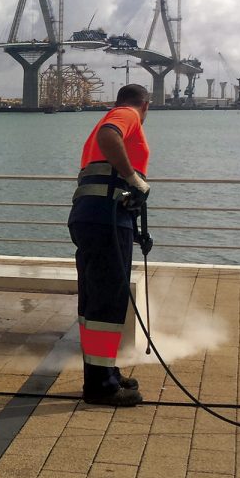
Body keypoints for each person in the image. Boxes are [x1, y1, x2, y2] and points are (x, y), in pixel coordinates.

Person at [68, 83, 153, 406]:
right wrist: (133, 178)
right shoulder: (127, 114)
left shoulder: (107, 120)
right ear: (146, 105)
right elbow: (110, 136)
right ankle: (101, 386)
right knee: (107, 302)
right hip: (105, 218)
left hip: (92, 217)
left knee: (95, 301)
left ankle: (104, 373)